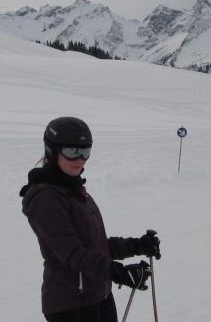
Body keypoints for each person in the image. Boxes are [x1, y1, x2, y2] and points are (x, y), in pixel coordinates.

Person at [20, 117, 161, 322]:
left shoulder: (73, 190)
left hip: (98, 296)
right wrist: (117, 272)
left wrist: (135, 246)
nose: (80, 159)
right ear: (52, 151)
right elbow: (72, 253)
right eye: (72, 152)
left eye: (85, 151)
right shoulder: (45, 199)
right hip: (71, 306)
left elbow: (97, 246)